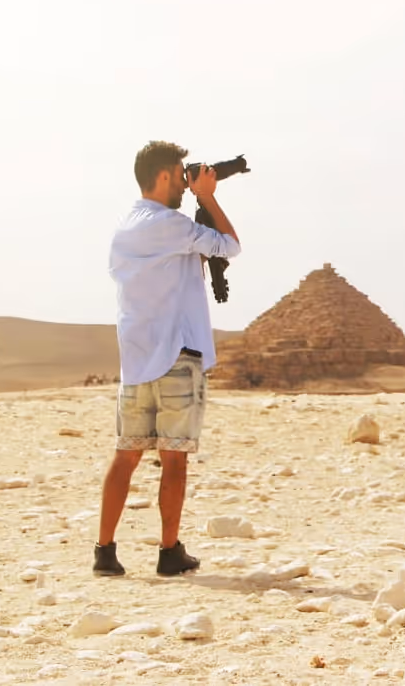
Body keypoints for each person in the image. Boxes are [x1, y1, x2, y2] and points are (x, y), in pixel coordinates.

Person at [93, 140, 241, 577]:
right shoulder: (172, 226)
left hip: (136, 360)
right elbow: (229, 246)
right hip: (178, 354)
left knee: (126, 455)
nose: (185, 182)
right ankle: (169, 551)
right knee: (174, 459)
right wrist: (208, 196)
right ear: (162, 176)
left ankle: (105, 551)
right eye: (181, 175)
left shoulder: (124, 228)